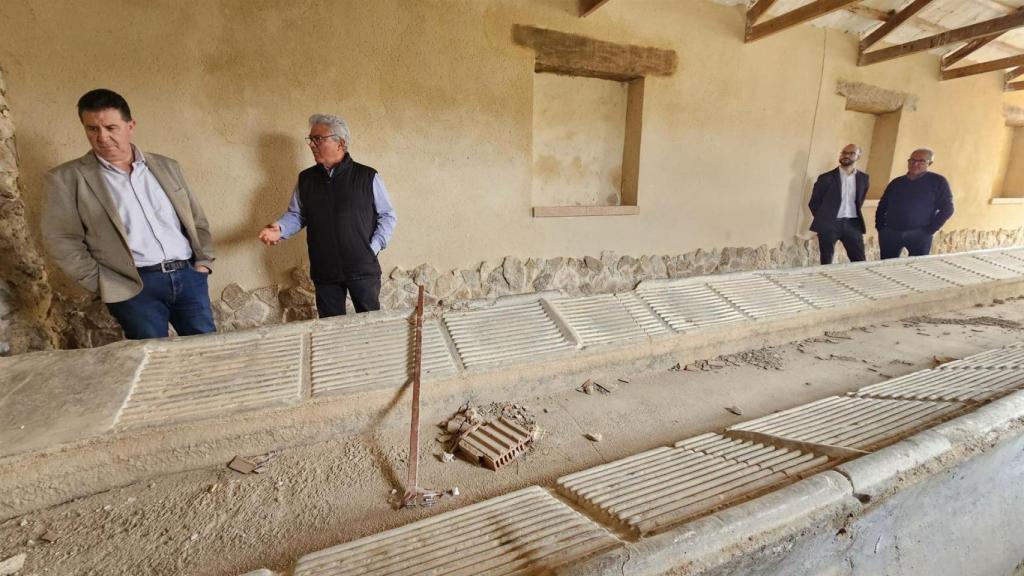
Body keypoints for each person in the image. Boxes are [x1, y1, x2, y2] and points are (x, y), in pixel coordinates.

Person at [42, 89, 216, 340]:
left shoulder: (167, 166)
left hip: (189, 276)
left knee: (209, 352)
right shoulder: (67, 179)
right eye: (92, 129)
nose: (102, 137)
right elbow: (61, 239)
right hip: (133, 287)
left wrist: (203, 263)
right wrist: (102, 282)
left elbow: (196, 219)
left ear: (130, 125)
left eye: (111, 127)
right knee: (152, 363)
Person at [259, 114, 397, 318]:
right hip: (325, 271)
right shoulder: (306, 180)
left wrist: (372, 247)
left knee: (370, 325)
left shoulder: (367, 176)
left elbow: (387, 215)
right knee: (330, 329)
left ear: (340, 143)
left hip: (362, 267)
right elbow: (297, 215)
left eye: (318, 139)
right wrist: (279, 228)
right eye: (311, 140)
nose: (312, 145)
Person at [875, 148, 954, 259]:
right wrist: (880, 227)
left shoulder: (938, 182)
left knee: (916, 268)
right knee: (887, 266)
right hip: (891, 233)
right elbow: (883, 205)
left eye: (921, 161)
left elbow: (947, 208)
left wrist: (930, 229)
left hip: (920, 234)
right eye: (912, 160)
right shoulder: (897, 182)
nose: (915, 164)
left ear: (929, 163)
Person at [808, 144, 869, 265]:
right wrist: (825, 219)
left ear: (858, 157)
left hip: (852, 225)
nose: (846, 155)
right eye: (844, 152)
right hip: (830, 224)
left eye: (851, 153)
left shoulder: (864, 178)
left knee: (860, 260)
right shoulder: (826, 178)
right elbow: (814, 202)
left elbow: (859, 200)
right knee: (826, 261)